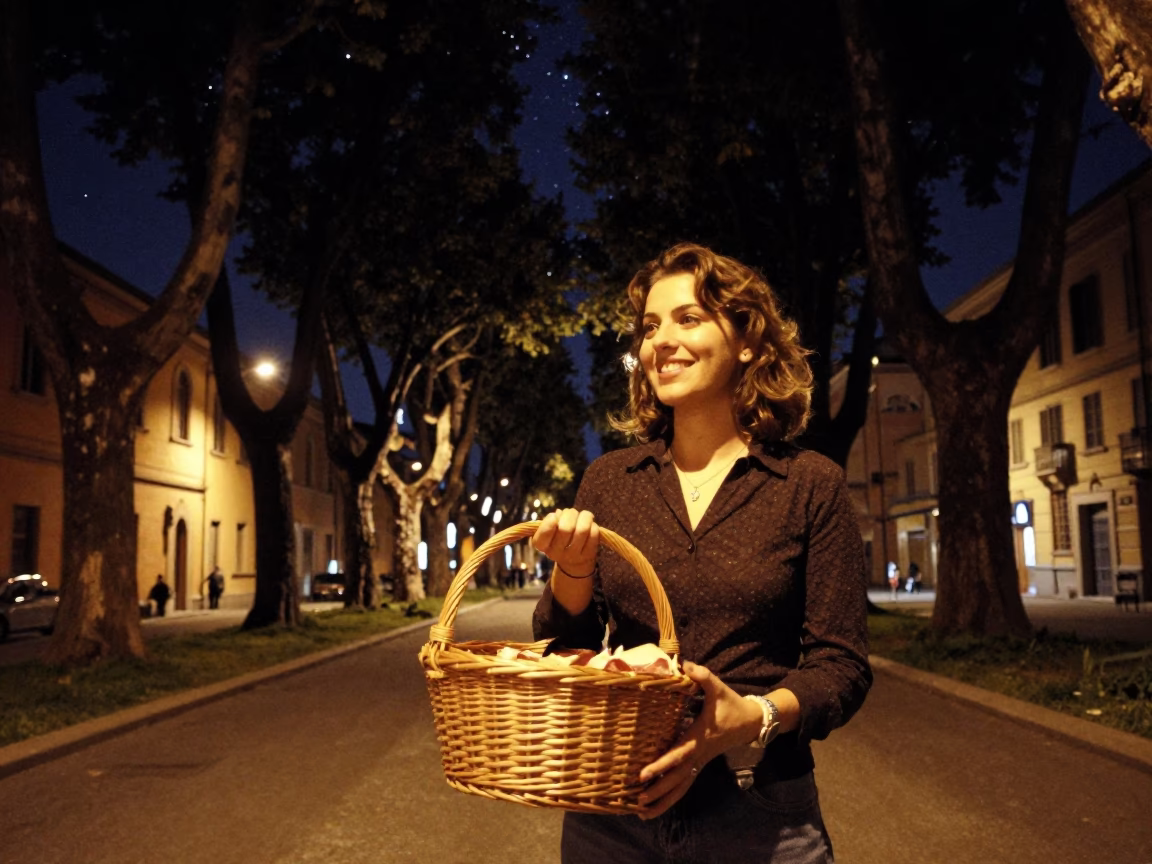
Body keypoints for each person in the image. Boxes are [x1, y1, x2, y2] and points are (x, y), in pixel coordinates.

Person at [531, 242, 871, 863]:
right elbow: (567, 653)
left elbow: (841, 665)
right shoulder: (610, 480)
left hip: (758, 812)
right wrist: (572, 572)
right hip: (614, 809)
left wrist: (753, 717)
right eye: (651, 326)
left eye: (688, 318)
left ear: (746, 340)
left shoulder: (809, 484)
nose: (661, 340)